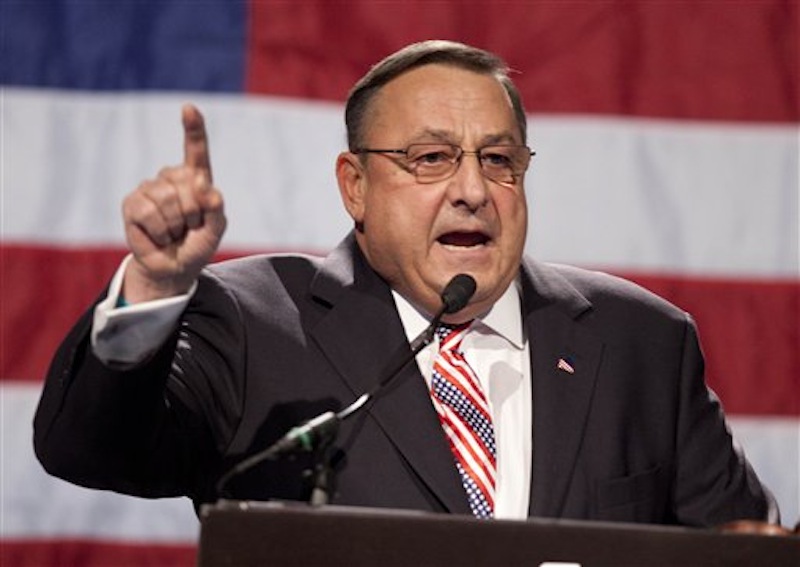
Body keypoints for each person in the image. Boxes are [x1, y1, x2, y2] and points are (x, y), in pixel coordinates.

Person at [34, 40, 778, 526]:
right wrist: (154, 285)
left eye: (498, 160)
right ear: (355, 186)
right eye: (430, 158)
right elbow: (87, 449)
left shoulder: (641, 341)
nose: (472, 191)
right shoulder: (254, 322)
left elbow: (739, 547)